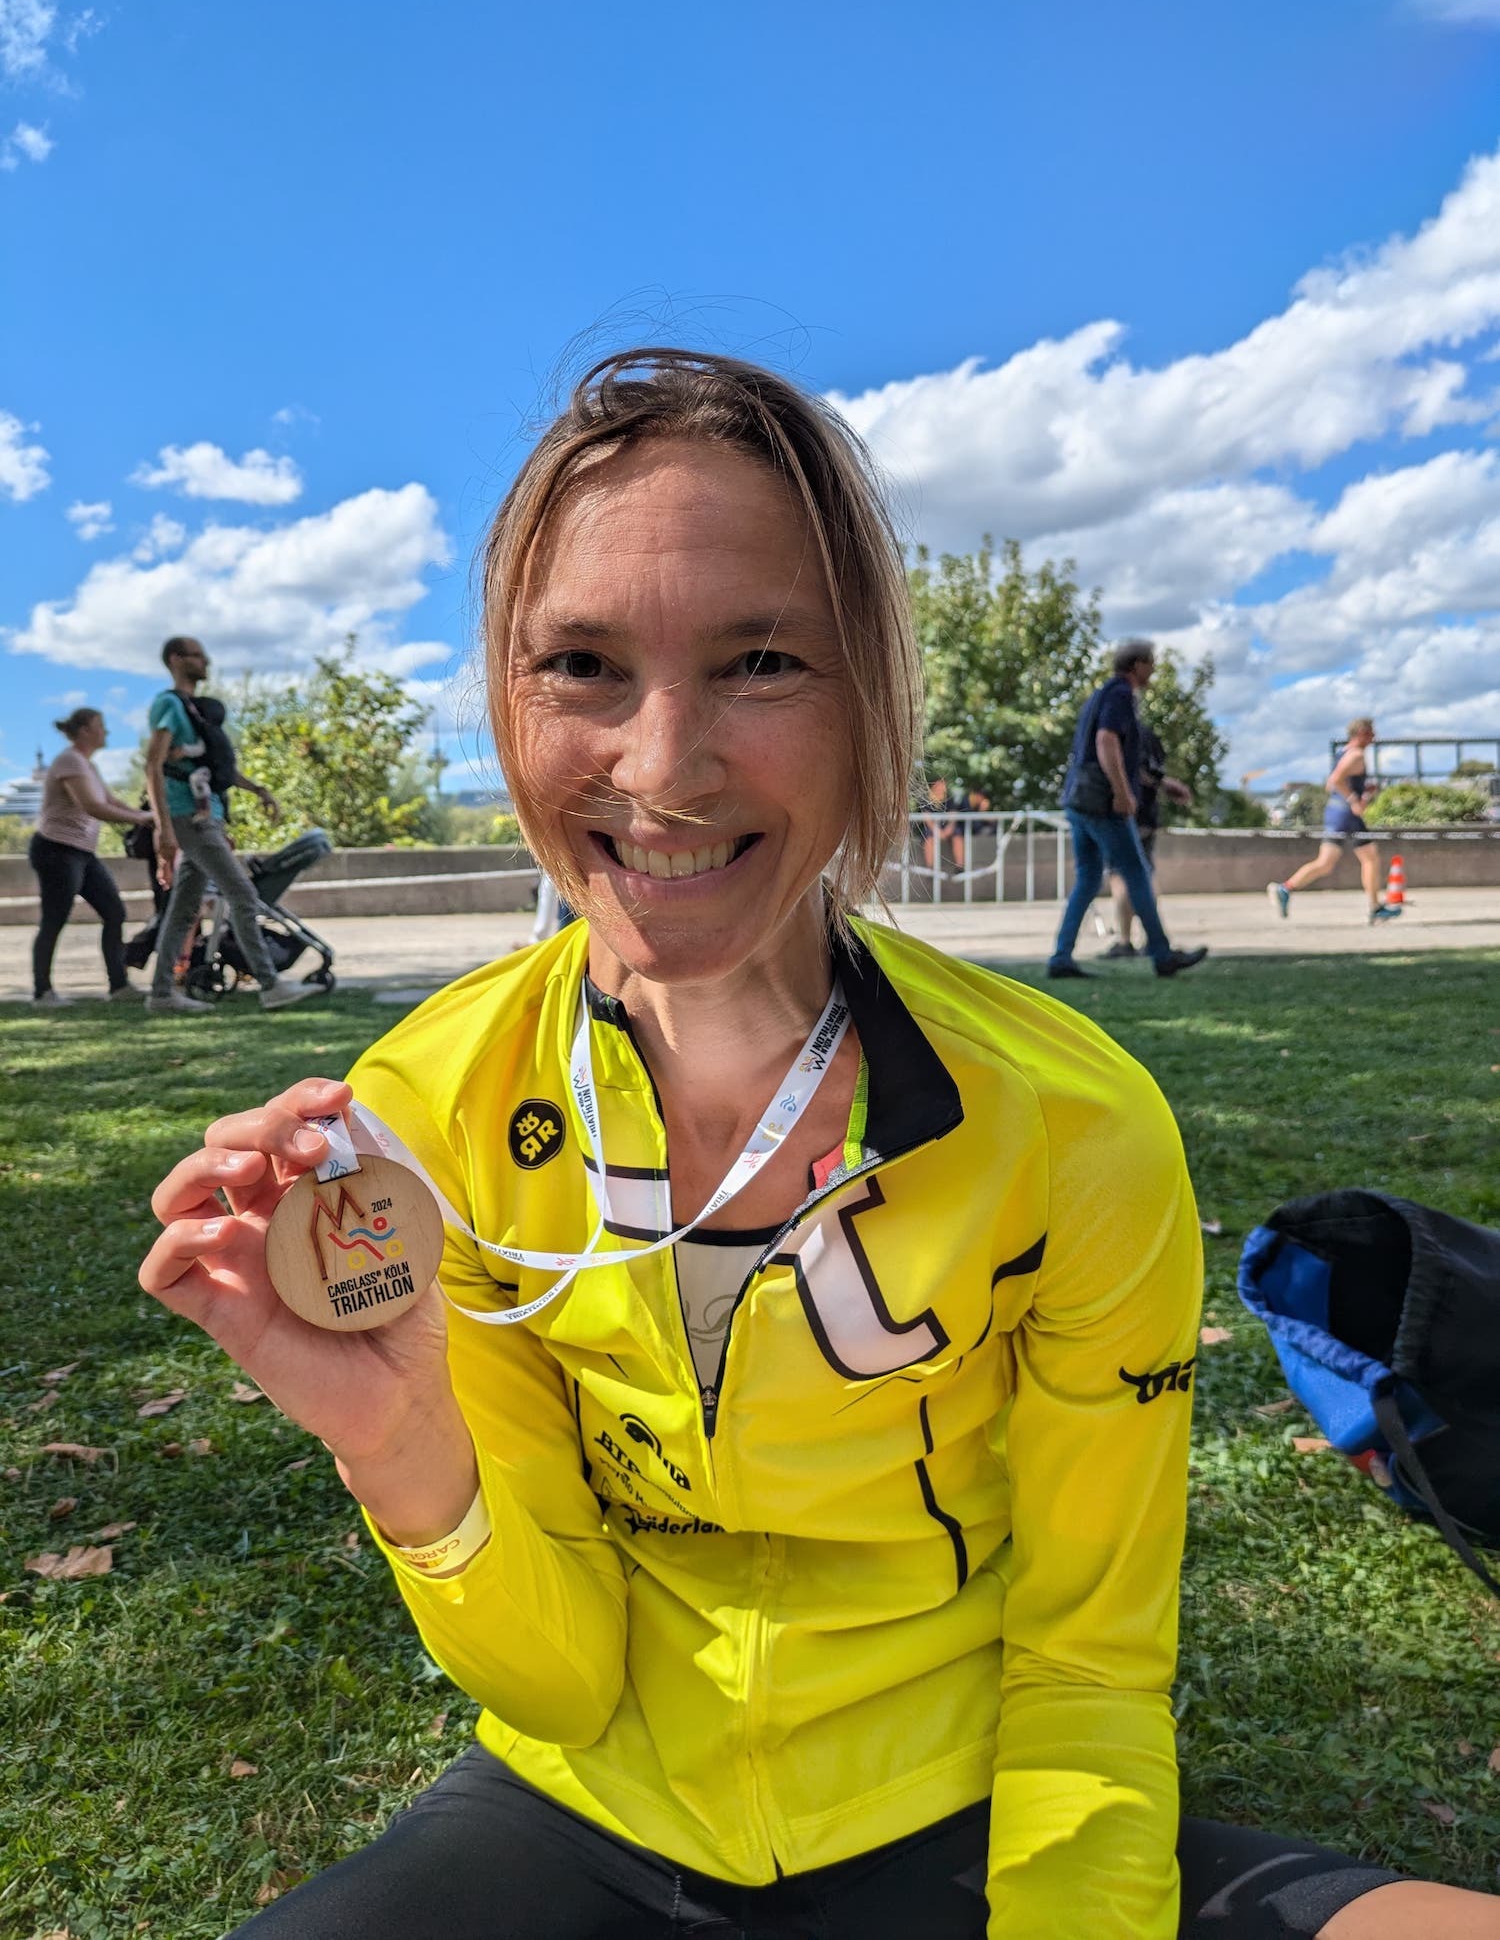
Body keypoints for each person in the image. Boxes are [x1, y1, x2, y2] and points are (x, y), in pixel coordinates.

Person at [140, 351, 1498, 1940]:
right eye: (581, 662)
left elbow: (1085, 1658)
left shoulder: (1076, 1124)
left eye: (763, 658)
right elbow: (565, 1683)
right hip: (588, 1807)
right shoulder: (424, 1107)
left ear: (871, 699)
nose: (662, 766)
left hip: (967, 1796)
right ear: (508, 699)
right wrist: (401, 1453)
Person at [144, 636, 322, 1014]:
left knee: (182, 910)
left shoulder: (195, 711)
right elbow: (153, 765)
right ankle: (271, 986)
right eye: (197, 655)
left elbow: (208, 766)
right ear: (176, 660)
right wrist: (164, 829)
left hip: (205, 816)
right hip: (190, 818)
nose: (206, 661)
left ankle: (161, 993)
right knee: (242, 895)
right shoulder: (169, 705)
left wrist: (257, 789)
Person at [1049, 641, 1208, 980]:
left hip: (1079, 799)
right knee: (1136, 873)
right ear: (1137, 665)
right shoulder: (1121, 695)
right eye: (1151, 663)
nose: (1153, 670)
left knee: (1089, 878)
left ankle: (1060, 957)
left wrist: (1163, 784)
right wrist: (1123, 794)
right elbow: (1107, 742)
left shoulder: (1100, 695)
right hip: (1103, 804)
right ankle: (1162, 954)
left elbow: (1116, 754)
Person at [28, 707, 154, 1007]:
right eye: (100, 726)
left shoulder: (88, 765)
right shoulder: (69, 761)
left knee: (114, 913)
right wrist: (140, 820)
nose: (106, 731)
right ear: (84, 730)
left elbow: (110, 800)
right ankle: (42, 993)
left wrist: (146, 815)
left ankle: (119, 986)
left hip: (82, 853)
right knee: (54, 920)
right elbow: (93, 806)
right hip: (56, 850)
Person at [1267, 720, 1402, 926]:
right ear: (1361, 733)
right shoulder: (1356, 755)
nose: (1374, 738)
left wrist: (1360, 793)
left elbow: (1333, 784)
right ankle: (1375, 908)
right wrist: (1354, 800)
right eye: (1371, 733)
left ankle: (1286, 888)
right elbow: (1335, 780)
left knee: (1327, 863)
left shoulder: (1343, 753)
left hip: (1336, 813)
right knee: (1369, 858)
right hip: (1346, 815)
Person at [1101, 720, 1194, 958]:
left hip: (1129, 812)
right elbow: (1154, 771)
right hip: (1146, 813)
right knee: (1143, 874)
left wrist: (1122, 795)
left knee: (1123, 876)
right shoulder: (1149, 735)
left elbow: (1138, 770)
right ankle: (1148, 940)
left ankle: (1127, 939)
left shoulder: (1122, 732)